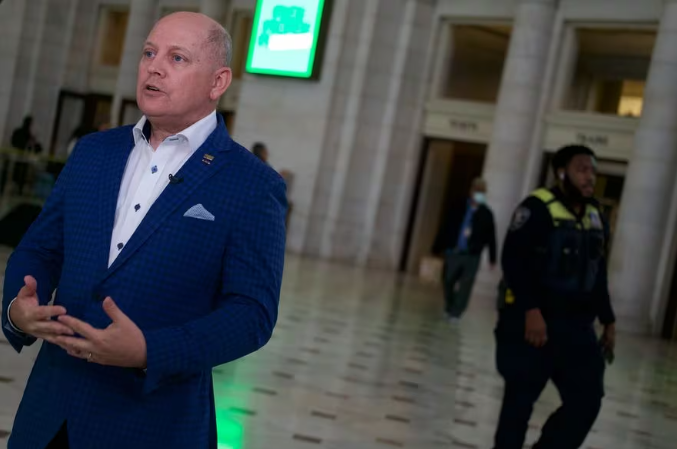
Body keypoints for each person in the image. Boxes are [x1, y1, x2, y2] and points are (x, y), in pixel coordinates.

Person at [2, 12, 287, 449]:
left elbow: (252, 314)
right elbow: (41, 248)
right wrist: (17, 308)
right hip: (50, 414)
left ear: (218, 82)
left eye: (177, 58)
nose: (154, 66)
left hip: (152, 424)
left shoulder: (251, 185)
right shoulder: (94, 152)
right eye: (149, 53)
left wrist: (150, 352)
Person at [493, 145, 616, 449]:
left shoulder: (596, 215)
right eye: (582, 169)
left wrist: (608, 319)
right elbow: (513, 263)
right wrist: (531, 310)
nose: (590, 177)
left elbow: (598, 273)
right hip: (532, 326)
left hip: (576, 329)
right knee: (518, 407)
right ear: (561, 173)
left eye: (593, 170)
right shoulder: (535, 208)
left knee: (587, 400)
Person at [436, 178, 497, 323]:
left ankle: (456, 313)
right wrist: (438, 245)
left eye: (482, 192)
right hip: (454, 251)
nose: (479, 195)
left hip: (472, 255)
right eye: (477, 191)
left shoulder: (487, 214)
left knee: (465, 285)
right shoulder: (458, 207)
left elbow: (491, 237)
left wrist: (492, 258)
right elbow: (446, 226)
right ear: (471, 191)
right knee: (447, 281)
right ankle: (450, 306)